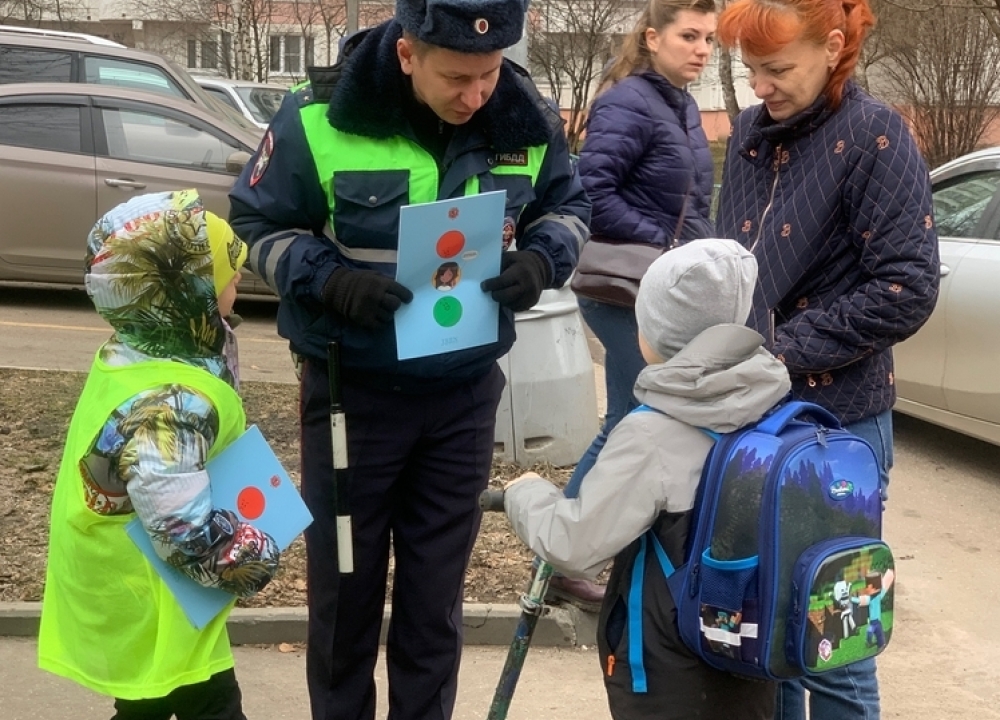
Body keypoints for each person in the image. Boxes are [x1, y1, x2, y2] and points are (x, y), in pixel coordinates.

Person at [226, 1, 590, 718]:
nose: (476, 95)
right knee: (346, 596)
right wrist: (324, 277)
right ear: (406, 53)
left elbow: (568, 208)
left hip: (461, 396)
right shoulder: (316, 118)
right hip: (349, 396)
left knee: (434, 601)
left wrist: (542, 262)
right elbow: (256, 222)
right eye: (457, 76)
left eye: (489, 74)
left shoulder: (526, 117)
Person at [713, 0, 940, 717]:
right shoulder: (750, 131)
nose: (759, 86)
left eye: (775, 68)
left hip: (837, 431)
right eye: (749, 69)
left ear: (833, 45)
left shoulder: (878, 137)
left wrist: (777, 353)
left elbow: (906, 288)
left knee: (834, 647)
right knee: (764, 642)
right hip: (748, 422)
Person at [504, 239, 791, 720]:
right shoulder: (769, 406)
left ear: (656, 331)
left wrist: (525, 492)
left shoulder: (652, 433)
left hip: (668, 667)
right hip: (749, 650)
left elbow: (574, 544)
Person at [37, 189, 281, 719]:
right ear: (183, 293)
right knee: (200, 702)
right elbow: (182, 530)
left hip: (134, 577)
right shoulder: (170, 405)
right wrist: (253, 556)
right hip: (152, 589)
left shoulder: (136, 351)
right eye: (222, 272)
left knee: (156, 702)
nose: (239, 279)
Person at [550, 0, 718, 611]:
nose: (701, 49)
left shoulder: (683, 104)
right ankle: (560, 557)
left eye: (708, 39)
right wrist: (667, 243)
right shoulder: (626, 101)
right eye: (689, 36)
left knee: (639, 415)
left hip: (662, 289)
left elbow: (690, 198)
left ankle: (601, 552)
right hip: (625, 288)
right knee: (629, 417)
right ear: (653, 37)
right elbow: (592, 192)